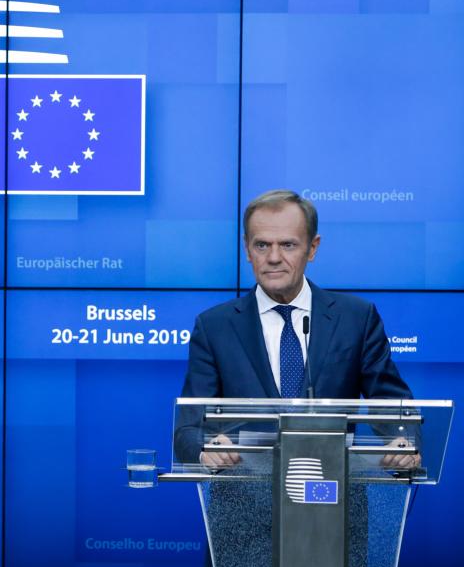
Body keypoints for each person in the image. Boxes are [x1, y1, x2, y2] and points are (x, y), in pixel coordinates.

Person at [176, 189, 415, 468]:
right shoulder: (214, 327)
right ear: (247, 249)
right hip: (243, 502)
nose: (274, 257)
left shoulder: (356, 318)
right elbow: (187, 430)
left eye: (287, 245)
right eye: (262, 245)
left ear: (312, 248)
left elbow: (395, 408)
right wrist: (206, 448)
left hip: (335, 498)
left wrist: (403, 441)